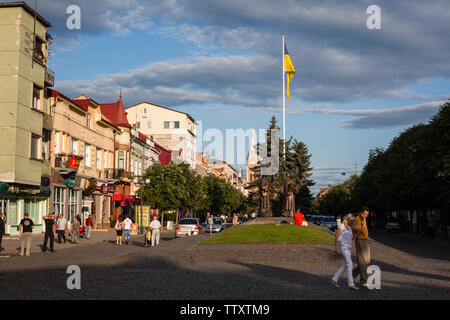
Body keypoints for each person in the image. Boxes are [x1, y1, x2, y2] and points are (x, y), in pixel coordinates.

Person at [331, 214, 358, 290]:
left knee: (346, 265)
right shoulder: (342, 226)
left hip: (348, 248)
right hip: (344, 248)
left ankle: (334, 279)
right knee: (350, 265)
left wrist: (358, 233)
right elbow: (336, 235)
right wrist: (336, 247)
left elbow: (351, 238)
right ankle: (351, 284)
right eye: (351, 220)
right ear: (348, 219)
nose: (352, 222)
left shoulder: (349, 228)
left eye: (353, 221)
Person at [352, 207, 371, 287]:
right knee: (362, 261)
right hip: (360, 241)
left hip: (365, 241)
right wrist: (364, 221)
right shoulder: (357, 219)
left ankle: (352, 274)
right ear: (361, 213)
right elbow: (361, 229)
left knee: (367, 261)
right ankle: (363, 281)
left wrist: (364, 219)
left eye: (367, 214)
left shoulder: (363, 219)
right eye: (365, 214)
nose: (366, 216)